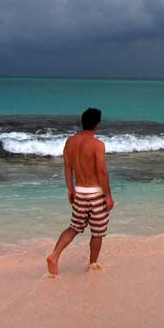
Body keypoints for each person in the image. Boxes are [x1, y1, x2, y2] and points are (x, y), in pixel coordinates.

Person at [46, 108, 115, 275]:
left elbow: (67, 167)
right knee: (97, 232)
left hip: (79, 192)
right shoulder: (97, 145)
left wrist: (70, 189)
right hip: (95, 194)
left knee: (74, 227)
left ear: (82, 122)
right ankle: (92, 264)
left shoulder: (70, 142)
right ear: (98, 123)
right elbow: (102, 171)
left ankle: (54, 255)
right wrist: (108, 195)